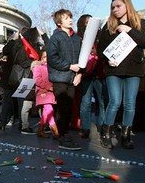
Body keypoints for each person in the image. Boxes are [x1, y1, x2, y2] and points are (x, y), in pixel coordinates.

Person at [96, 0, 145, 149]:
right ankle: (106, 133)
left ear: (127, 6)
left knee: (130, 104)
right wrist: (107, 59)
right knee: (114, 102)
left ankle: (126, 135)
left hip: (133, 69)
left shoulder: (139, 24)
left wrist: (130, 30)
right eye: (113, 7)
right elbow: (100, 49)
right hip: (114, 69)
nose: (115, 10)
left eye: (118, 6)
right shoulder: (109, 26)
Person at [47, 9, 82, 150]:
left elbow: (82, 58)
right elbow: (52, 58)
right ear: (59, 22)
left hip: (73, 78)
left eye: (70, 17)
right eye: (66, 18)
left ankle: (62, 133)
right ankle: (62, 136)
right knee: (63, 107)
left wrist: (80, 73)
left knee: (69, 107)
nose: (70, 20)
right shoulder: (55, 38)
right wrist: (70, 66)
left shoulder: (76, 38)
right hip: (59, 77)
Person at [76, 14, 106, 139]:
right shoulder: (78, 38)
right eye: (86, 22)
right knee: (86, 103)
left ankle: (104, 126)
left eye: (91, 22)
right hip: (86, 74)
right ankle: (85, 127)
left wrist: (97, 52)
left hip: (100, 74)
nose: (89, 24)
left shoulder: (101, 37)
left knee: (103, 102)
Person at [32, 51, 58, 139]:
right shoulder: (38, 67)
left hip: (50, 91)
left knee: (46, 112)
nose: (46, 59)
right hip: (42, 92)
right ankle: (55, 131)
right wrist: (48, 87)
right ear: (41, 58)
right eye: (44, 57)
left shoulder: (52, 68)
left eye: (47, 57)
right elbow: (37, 79)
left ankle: (40, 130)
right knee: (49, 109)